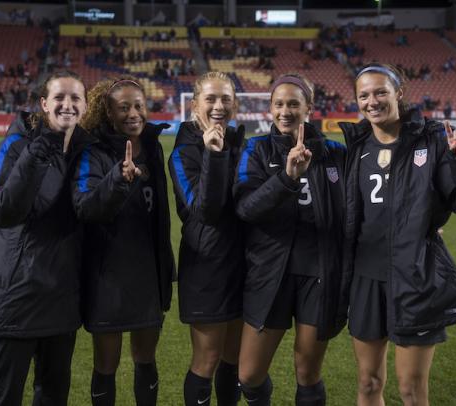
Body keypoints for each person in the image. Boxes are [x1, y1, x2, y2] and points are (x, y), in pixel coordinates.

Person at [339, 64, 456, 406]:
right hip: (366, 279)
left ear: (399, 92)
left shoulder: (433, 141)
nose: (372, 101)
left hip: (415, 277)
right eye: (363, 95)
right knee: (368, 383)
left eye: (381, 91)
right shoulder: (357, 146)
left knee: (411, 390)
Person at [233, 73, 349, 406]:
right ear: (270, 108)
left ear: (308, 107)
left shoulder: (335, 154)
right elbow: (245, 208)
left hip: (320, 274)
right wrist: (286, 178)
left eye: (293, 104)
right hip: (269, 274)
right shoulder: (255, 149)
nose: (286, 111)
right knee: (249, 375)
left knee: (308, 372)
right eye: (279, 104)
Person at [0, 70, 92, 405]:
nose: (67, 104)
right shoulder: (18, 143)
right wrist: (40, 148)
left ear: (85, 106)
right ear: (44, 103)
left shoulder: (86, 150)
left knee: (53, 397)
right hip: (14, 301)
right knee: (3, 397)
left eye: (75, 98)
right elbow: (0, 209)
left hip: (60, 302)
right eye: (59, 97)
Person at [72, 77, 175, 406]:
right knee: (106, 364)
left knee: (146, 360)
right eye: (124, 107)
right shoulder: (93, 150)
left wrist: (164, 269)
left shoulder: (153, 146)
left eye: (139, 106)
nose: (134, 113)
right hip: (109, 275)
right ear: (108, 113)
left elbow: (159, 214)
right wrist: (118, 178)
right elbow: (86, 207)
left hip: (148, 273)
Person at [168, 72, 245, 406]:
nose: (218, 106)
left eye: (226, 99)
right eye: (211, 99)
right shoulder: (182, 153)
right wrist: (213, 154)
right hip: (206, 268)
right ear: (194, 103)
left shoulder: (239, 142)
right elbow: (206, 212)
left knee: (234, 359)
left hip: (243, 264)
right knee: (207, 360)